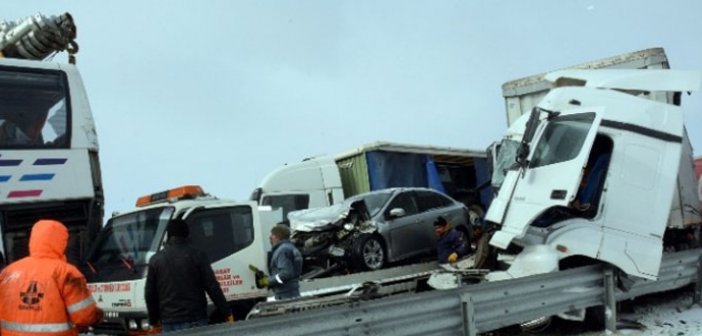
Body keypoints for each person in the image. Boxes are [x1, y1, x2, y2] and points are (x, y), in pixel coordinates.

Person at [0, 219, 104, 336]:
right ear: (62, 242)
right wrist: (98, 316)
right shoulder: (67, 273)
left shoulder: (7, 272)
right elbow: (84, 317)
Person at [144, 219, 234, 333]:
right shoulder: (198, 255)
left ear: (168, 235)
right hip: (196, 319)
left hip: (168, 323)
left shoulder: (155, 260)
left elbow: (150, 294)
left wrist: (154, 321)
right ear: (187, 234)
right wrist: (227, 312)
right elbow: (212, 287)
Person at [250, 224, 303, 300]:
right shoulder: (291, 248)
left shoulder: (282, 250)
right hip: (291, 292)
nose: (270, 237)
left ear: (278, 236)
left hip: (285, 295)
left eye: (272, 235)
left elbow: (286, 274)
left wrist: (268, 281)